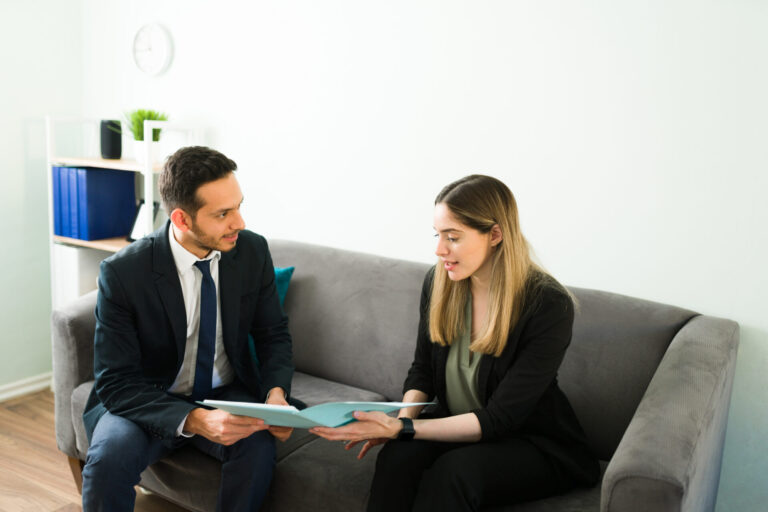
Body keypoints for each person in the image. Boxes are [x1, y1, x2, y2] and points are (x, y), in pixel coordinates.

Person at [310, 175, 600, 511]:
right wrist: (398, 427)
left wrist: (402, 427)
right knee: (398, 455)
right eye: (438, 235)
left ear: (495, 234)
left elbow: (499, 419)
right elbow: (422, 372)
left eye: (453, 237)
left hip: (531, 442)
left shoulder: (547, 304)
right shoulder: (440, 281)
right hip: (458, 422)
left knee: (456, 472)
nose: (439, 249)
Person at [81, 146, 295, 512]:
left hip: (224, 391)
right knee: (107, 461)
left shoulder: (251, 252)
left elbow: (272, 334)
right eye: (223, 214)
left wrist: (275, 394)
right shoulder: (123, 273)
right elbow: (115, 382)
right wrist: (194, 420)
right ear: (182, 219)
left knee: (258, 447)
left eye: (239, 206)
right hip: (149, 397)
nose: (239, 223)